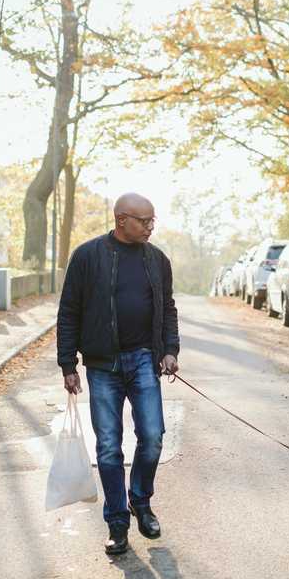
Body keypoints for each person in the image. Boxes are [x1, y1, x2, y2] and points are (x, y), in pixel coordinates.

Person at [57, 192, 180, 556]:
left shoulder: (158, 260)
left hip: (144, 359)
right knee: (109, 447)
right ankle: (117, 523)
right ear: (121, 219)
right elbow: (69, 311)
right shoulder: (87, 256)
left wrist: (170, 350)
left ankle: (140, 501)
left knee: (154, 436)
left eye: (153, 220)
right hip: (101, 365)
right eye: (144, 221)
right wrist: (68, 364)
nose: (150, 227)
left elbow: (168, 308)